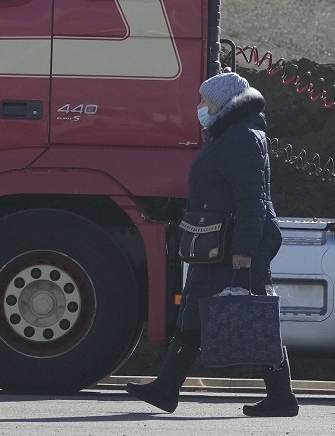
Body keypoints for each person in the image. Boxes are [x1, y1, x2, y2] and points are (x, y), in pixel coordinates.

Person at [126, 72, 299, 417]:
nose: (200, 107)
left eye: (205, 101)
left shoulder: (242, 138)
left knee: (257, 317)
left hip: (235, 245)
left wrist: (243, 252)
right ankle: (166, 388)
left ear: (223, 103)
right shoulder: (228, 135)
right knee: (194, 310)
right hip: (217, 243)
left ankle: (281, 397)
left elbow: (253, 201)